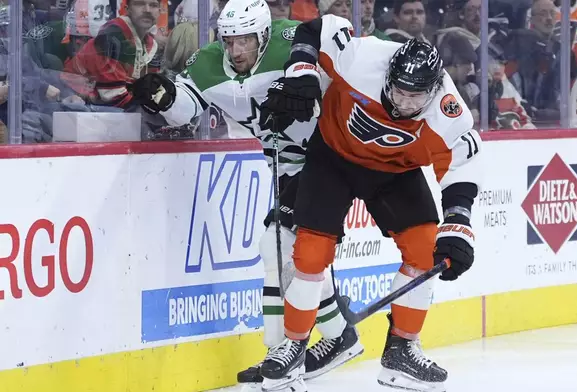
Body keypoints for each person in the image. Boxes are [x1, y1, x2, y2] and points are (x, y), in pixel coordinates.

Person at [126, 0, 363, 390]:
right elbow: (188, 107)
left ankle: (297, 349)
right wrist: (165, 97)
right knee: (284, 254)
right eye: (229, 41)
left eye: (245, 41)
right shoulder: (207, 60)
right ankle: (325, 339)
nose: (236, 51)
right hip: (287, 167)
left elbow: (342, 38)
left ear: (265, 35)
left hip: (331, 158)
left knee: (278, 249)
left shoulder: (290, 41)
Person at [256, 14, 483, 392]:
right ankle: (292, 347)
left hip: (396, 172)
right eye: (398, 92)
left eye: (416, 97)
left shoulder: (447, 109)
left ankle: (401, 353)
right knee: (310, 255)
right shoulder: (362, 58)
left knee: (425, 249)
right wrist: (301, 73)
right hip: (333, 158)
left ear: (434, 90)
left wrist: (459, 222)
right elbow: (314, 29)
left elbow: (465, 162)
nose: (405, 103)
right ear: (388, 77)